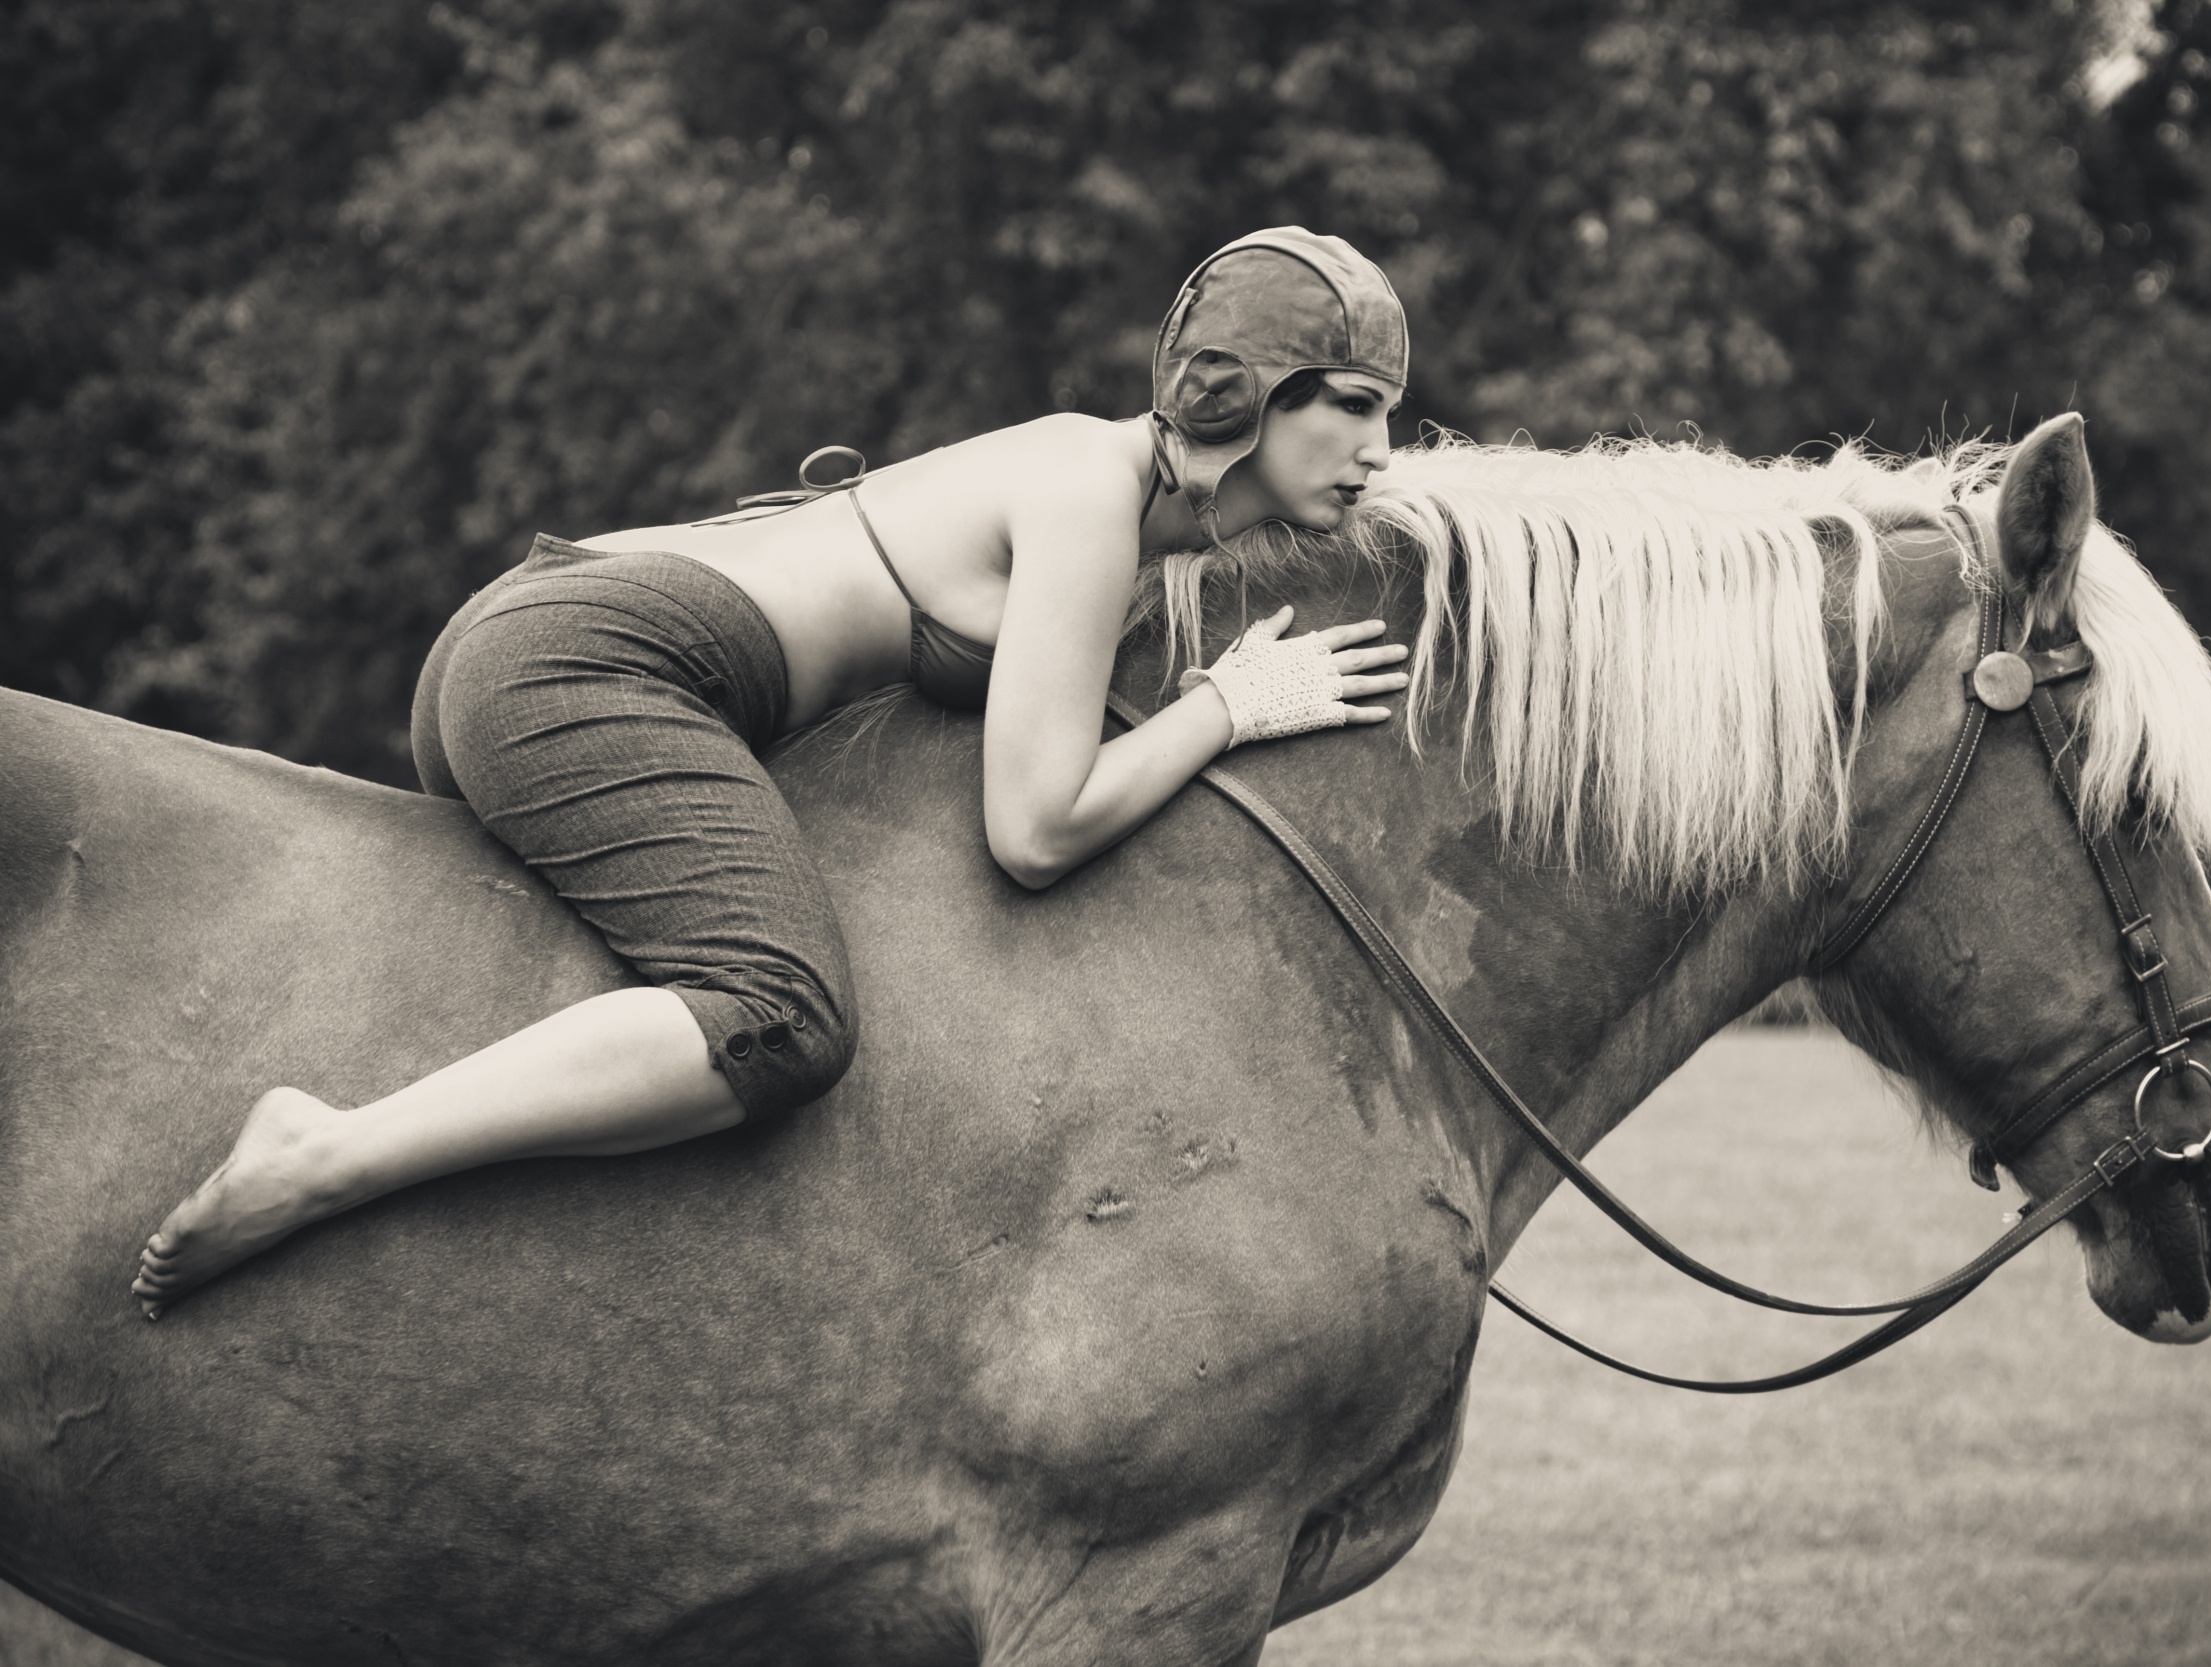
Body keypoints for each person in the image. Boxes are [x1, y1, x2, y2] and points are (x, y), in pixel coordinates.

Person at [131, 227, 1413, 1317]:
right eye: (1350, 405)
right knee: (781, 1014)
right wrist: (1230, 705)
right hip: (586, 659)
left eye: (1385, 414)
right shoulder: (1089, 490)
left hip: (541, 628)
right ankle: (327, 1150)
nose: (1377, 449)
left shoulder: (1103, 482)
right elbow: (1036, 828)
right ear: (1240, 395)